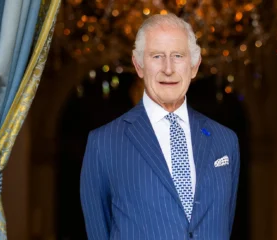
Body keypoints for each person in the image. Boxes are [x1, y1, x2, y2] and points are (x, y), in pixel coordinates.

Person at [80, 13, 240, 240]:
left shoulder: (225, 140)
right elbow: (98, 231)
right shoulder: (103, 143)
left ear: (194, 66)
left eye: (178, 55)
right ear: (139, 66)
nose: (168, 68)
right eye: (157, 56)